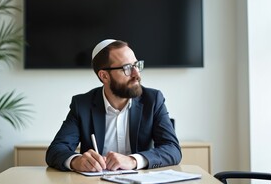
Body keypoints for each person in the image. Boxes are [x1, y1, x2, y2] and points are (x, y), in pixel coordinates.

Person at [46, 39, 181, 172]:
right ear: (104, 76)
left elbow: (172, 149)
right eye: (127, 68)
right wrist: (76, 161)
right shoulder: (82, 105)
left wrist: (133, 160)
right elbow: (56, 150)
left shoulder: (153, 100)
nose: (136, 74)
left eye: (136, 65)